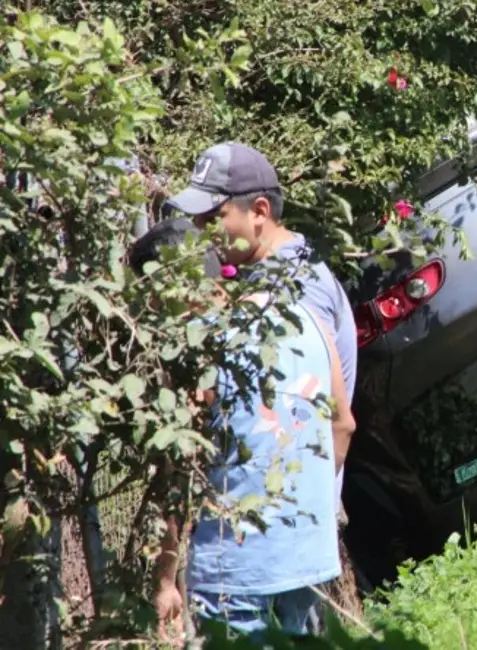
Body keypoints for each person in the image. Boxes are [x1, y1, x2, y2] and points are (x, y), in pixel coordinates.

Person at [130, 217, 357, 642]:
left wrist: (165, 580)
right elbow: (343, 424)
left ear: (170, 290)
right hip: (309, 549)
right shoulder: (306, 316)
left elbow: (180, 476)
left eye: (152, 301)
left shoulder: (196, 358)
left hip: (234, 566)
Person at [163, 142, 358, 519]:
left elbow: (328, 422)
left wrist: (302, 512)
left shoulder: (298, 289)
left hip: (286, 524)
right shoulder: (277, 269)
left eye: (213, 217)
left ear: (259, 212)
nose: (202, 233)